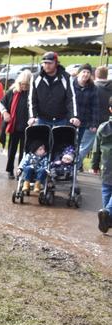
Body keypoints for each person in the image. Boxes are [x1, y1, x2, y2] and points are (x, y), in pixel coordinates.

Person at [28, 52, 80, 128]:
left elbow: (71, 98)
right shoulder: (36, 78)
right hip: (41, 119)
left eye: (50, 63)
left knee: (60, 140)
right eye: (45, 63)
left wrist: (74, 116)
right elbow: (32, 99)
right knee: (42, 140)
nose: (47, 65)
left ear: (56, 63)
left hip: (61, 119)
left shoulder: (66, 77)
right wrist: (32, 116)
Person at [0, 70, 32, 179]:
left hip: (28, 128)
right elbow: (1, 103)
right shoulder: (12, 92)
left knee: (25, 151)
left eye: (27, 84)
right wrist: (4, 112)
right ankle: (10, 171)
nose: (24, 87)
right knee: (12, 150)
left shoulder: (32, 94)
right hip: (15, 126)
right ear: (19, 83)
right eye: (23, 84)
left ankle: (21, 171)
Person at [72, 63, 99, 171]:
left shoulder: (93, 88)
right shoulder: (71, 84)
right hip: (70, 120)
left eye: (88, 72)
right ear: (79, 73)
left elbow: (95, 107)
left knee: (79, 147)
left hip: (84, 121)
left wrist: (94, 123)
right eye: (84, 71)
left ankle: (73, 169)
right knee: (68, 144)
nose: (86, 74)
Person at [92, 96, 112, 233]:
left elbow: (96, 148)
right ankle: (107, 213)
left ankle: (106, 218)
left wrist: (94, 164)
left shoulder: (103, 127)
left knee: (106, 190)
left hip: (106, 164)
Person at [87, 66, 112, 171]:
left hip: (95, 120)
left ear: (96, 74)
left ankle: (91, 166)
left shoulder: (93, 87)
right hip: (108, 120)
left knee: (93, 147)